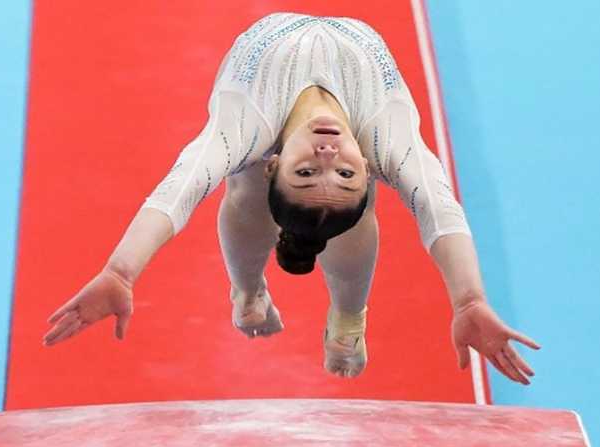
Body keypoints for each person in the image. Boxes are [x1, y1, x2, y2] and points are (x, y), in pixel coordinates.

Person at [43, 12, 541, 382]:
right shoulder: (384, 136)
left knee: (265, 187)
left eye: (309, 169)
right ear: (365, 167)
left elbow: (184, 183)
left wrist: (120, 271)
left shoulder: (247, 124)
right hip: (341, 52)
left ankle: (347, 318)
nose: (328, 153)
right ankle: (250, 291)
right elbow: (438, 206)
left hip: (265, 56)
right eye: (345, 169)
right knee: (289, 194)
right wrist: (468, 298)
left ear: (277, 163)